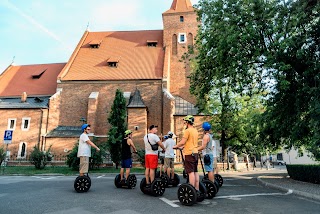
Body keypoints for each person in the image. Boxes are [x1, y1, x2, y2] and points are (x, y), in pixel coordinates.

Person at [173, 115, 200, 193]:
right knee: (195, 171)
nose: (184, 123)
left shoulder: (187, 131)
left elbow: (183, 141)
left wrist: (176, 146)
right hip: (195, 152)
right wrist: (183, 147)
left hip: (189, 153)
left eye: (185, 122)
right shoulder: (195, 130)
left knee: (190, 172)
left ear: (188, 122)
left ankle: (191, 190)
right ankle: (197, 189)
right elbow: (190, 142)